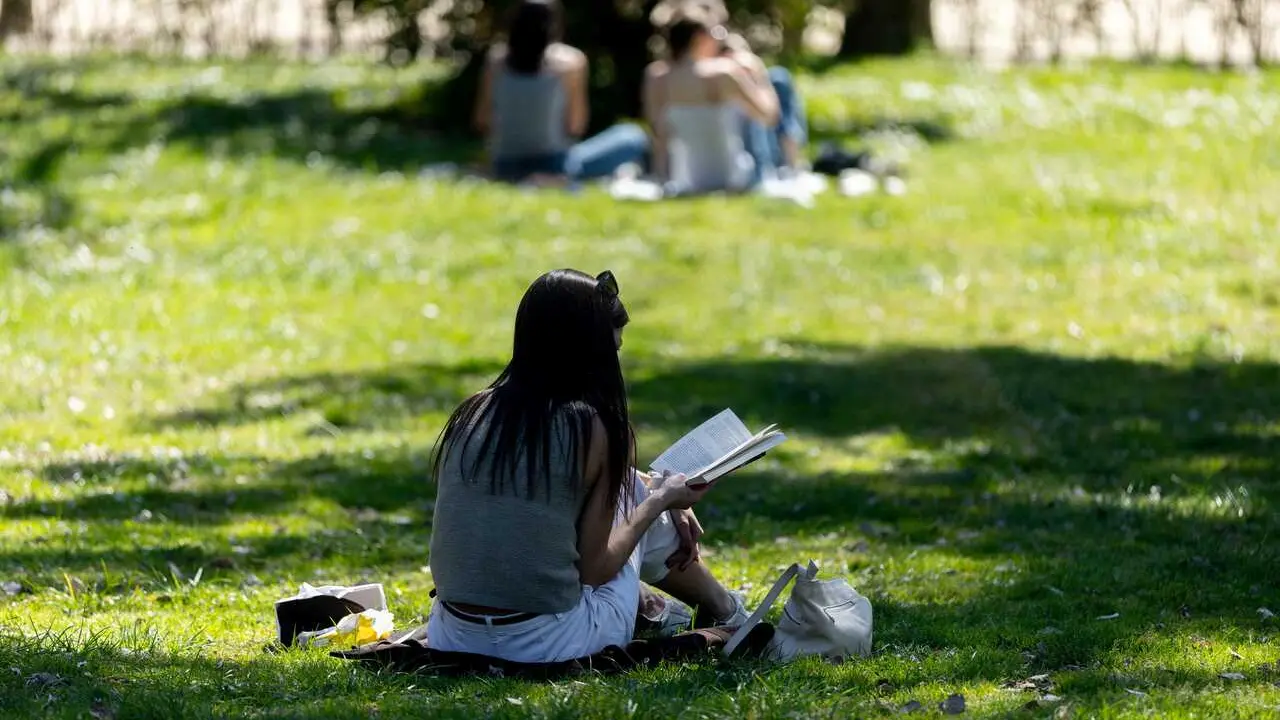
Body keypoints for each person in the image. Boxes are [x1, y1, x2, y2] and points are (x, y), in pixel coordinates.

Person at [426, 269, 749, 664]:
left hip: (451, 634)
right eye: (614, 349)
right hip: (548, 642)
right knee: (639, 497)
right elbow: (596, 571)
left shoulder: (473, 411)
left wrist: (657, 491)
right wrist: (660, 501)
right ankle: (725, 609)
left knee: (633, 487)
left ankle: (669, 608)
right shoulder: (592, 427)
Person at [473, 0, 648, 185]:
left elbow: (482, 120)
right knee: (632, 135)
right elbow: (576, 126)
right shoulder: (571, 63)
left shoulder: (495, 61)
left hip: (503, 163)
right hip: (554, 164)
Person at [641, 5, 780, 194]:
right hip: (734, 177)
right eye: (713, 33)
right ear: (700, 37)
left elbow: (658, 134)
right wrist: (757, 73)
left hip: (683, 180)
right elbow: (769, 116)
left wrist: (662, 179)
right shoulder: (723, 73)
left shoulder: (656, 77)